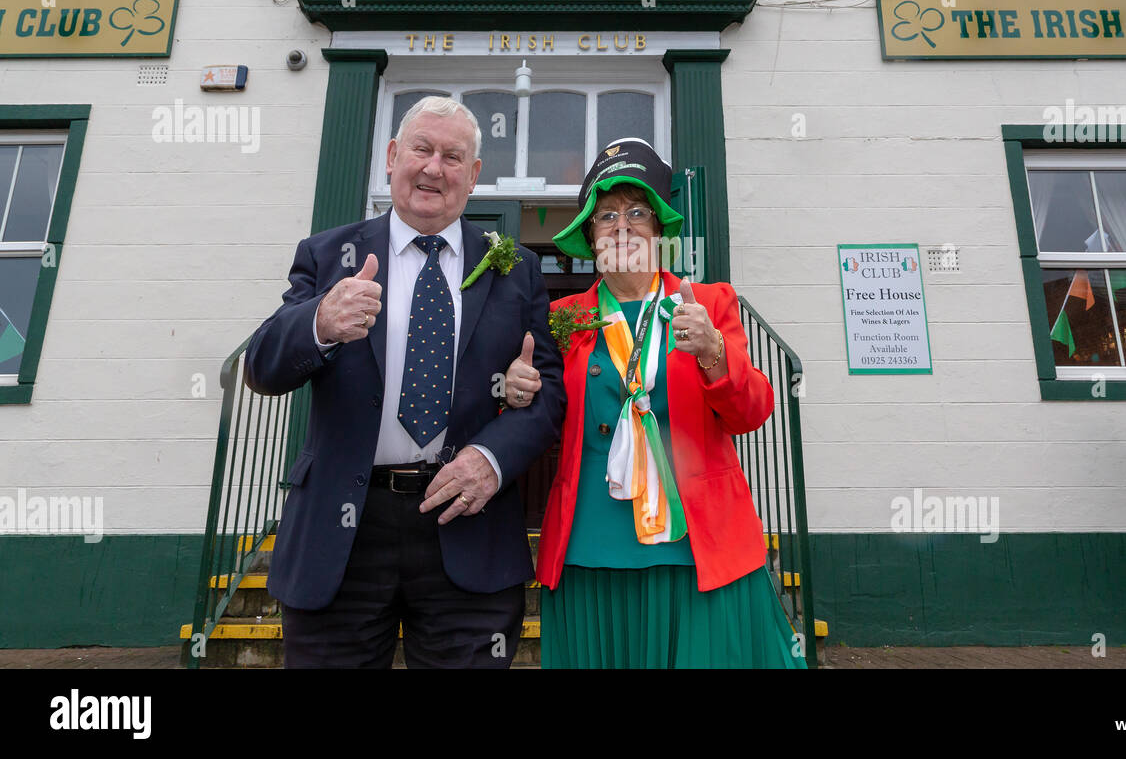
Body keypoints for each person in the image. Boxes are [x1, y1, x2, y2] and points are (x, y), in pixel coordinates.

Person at [244, 96, 565, 668]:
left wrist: (491, 458)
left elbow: (547, 396)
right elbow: (263, 368)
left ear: (473, 176)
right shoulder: (328, 255)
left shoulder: (517, 271)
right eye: (421, 149)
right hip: (342, 532)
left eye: (452, 156)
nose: (433, 168)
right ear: (392, 157)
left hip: (468, 523)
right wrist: (319, 323)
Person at [503, 138, 805, 668]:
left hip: (698, 545)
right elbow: (539, 422)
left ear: (659, 230)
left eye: (638, 212)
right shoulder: (563, 317)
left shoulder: (710, 303)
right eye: (607, 216)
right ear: (590, 237)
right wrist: (515, 394)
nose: (622, 226)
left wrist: (713, 353)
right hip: (590, 545)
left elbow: (752, 411)